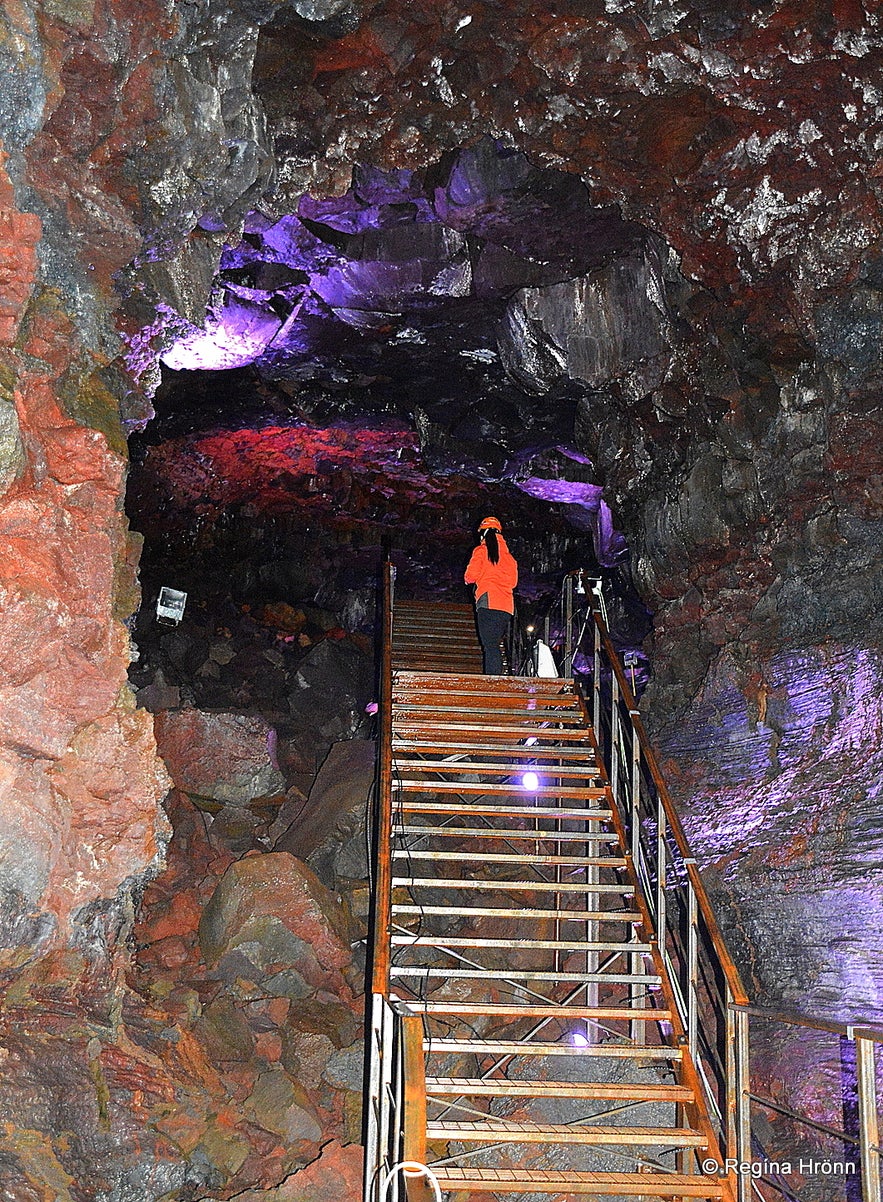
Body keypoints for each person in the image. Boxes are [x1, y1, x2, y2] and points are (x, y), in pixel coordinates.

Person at [464, 516, 518, 675]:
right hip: (506, 606)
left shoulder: (481, 551)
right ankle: (495, 677)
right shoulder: (509, 558)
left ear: (484, 532)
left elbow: (470, 576)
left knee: (490, 645)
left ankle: (493, 680)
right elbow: (513, 582)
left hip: (488, 601)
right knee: (494, 643)